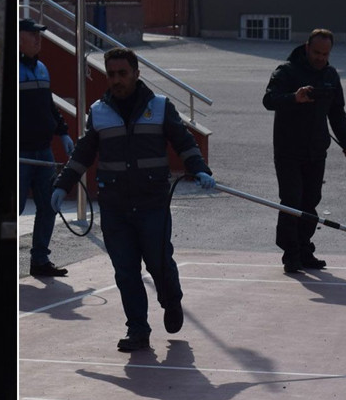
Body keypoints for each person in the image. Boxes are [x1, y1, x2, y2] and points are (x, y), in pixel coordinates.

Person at [51, 48, 216, 351]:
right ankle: (138, 329)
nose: (116, 80)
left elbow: (184, 142)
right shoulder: (99, 111)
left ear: (136, 74)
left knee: (159, 263)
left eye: (122, 73)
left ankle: (171, 300)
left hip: (152, 203)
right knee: (126, 271)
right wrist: (63, 185)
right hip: (115, 206)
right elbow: (84, 152)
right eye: (111, 74)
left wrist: (200, 170)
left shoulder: (160, 106)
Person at [262, 28, 346, 273]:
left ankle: (305, 249)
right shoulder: (287, 71)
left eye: (325, 54)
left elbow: (337, 112)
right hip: (288, 150)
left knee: (311, 201)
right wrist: (294, 97)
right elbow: (269, 100)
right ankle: (290, 254)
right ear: (306, 47)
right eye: (316, 52)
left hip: (316, 150)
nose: (320, 58)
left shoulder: (331, 75)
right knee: (292, 201)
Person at [19, 18, 75, 277]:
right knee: (13, 209)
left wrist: (62, 132)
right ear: (19, 37)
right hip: (20, 155)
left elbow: (48, 106)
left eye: (39, 36)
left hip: (44, 151)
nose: (38, 40)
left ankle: (39, 261)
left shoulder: (41, 68)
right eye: (33, 35)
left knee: (48, 205)